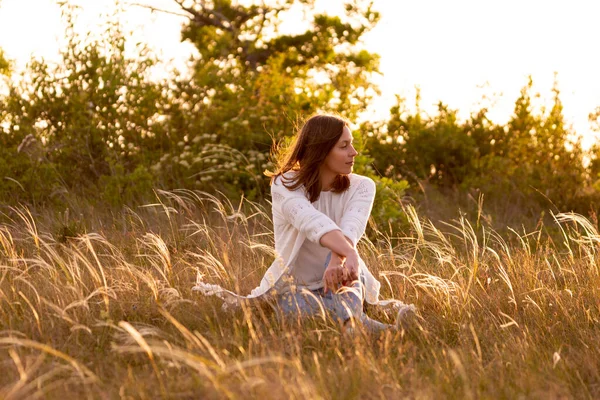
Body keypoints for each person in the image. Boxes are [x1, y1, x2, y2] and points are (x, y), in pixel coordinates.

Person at [193, 114, 416, 333]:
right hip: (297, 284)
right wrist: (351, 253)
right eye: (344, 146)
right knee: (290, 312)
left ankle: (351, 325)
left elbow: (351, 229)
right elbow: (311, 221)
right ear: (321, 151)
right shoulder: (284, 184)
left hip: (345, 277)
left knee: (341, 276)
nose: (353, 152)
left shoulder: (362, 186)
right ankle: (383, 330)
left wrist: (340, 257)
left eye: (351, 145)